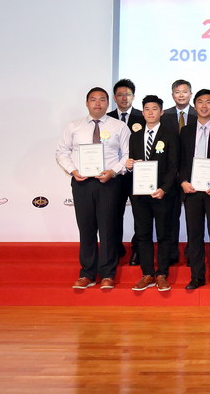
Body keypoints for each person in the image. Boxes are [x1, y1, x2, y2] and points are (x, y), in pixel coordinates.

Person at [55, 87, 130, 290]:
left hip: (109, 183)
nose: (98, 103)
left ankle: (107, 274)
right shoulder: (74, 126)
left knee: (108, 229)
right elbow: (61, 152)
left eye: (102, 100)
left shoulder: (119, 126)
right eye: (93, 100)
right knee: (86, 228)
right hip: (82, 182)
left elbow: (127, 155)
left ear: (108, 103)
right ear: (86, 103)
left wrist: (113, 171)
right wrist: (72, 170)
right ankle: (87, 273)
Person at [126, 95, 179, 293]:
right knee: (143, 234)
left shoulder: (170, 134)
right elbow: (132, 161)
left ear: (161, 112)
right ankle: (147, 273)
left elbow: (174, 166)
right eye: (146, 109)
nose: (150, 112)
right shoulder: (136, 135)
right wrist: (129, 164)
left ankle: (162, 274)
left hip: (162, 194)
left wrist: (164, 188)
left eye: (154, 109)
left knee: (164, 234)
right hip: (140, 195)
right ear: (142, 112)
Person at [178, 89, 210, 290]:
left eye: (208, 102)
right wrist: (183, 181)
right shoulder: (186, 131)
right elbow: (181, 161)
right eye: (200, 102)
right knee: (194, 235)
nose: (204, 106)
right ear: (195, 104)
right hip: (191, 190)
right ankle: (197, 276)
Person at [107, 78, 145, 265]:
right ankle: (116, 248)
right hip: (115, 175)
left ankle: (138, 249)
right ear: (115, 97)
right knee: (113, 214)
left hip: (139, 175)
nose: (124, 98)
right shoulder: (106, 118)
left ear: (133, 96)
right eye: (120, 94)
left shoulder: (143, 116)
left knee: (140, 214)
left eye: (127, 94)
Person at [162, 78, 195, 264]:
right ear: (172, 94)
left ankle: (192, 253)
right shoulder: (163, 115)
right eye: (177, 92)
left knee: (193, 218)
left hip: (192, 175)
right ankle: (172, 253)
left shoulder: (199, 115)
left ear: (190, 94)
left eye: (185, 91)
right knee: (171, 217)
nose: (181, 95)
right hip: (170, 175)